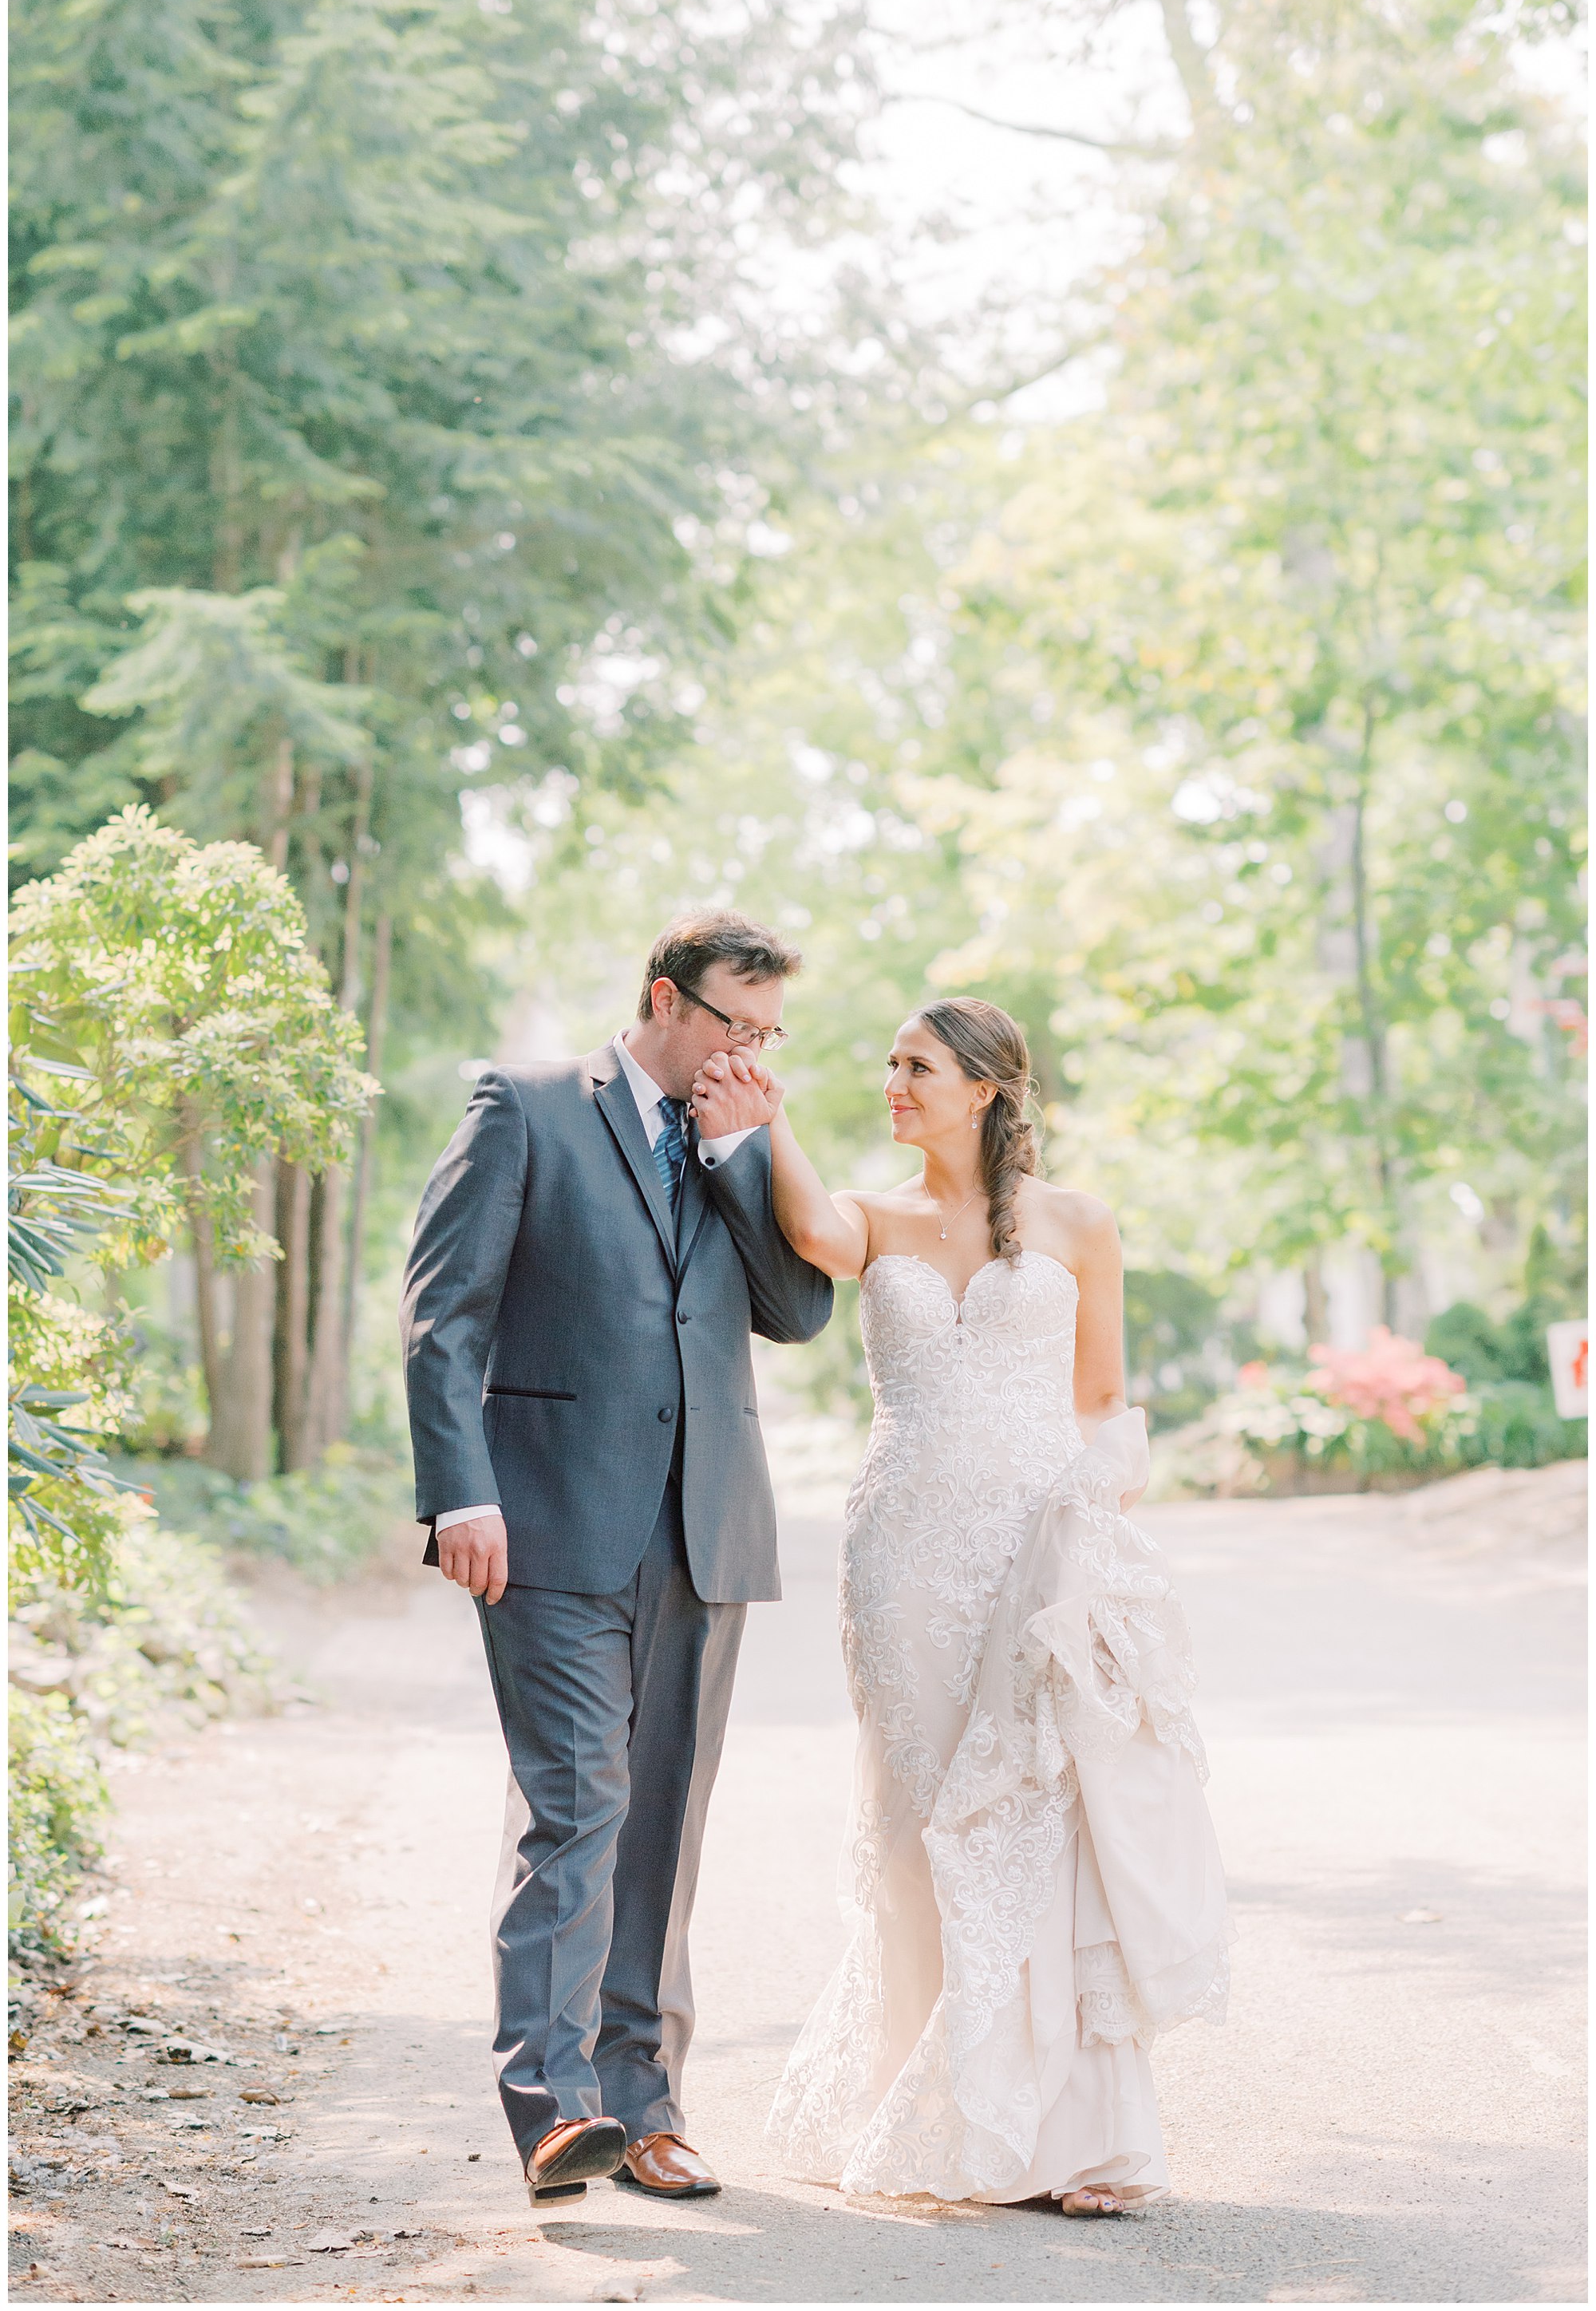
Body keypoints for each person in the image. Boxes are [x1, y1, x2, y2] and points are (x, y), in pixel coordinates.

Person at [691, 997, 1231, 2214]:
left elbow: (1105, 1405)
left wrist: (1086, 1540)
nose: (893, 1081)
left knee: (1040, 1812)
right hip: (902, 1558)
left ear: (986, 1086)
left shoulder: (1083, 1224)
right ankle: (928, 2106)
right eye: (887, 1062)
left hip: (1032, 1558)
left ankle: (1075, 2136)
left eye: (916, 1065)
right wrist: (766, 1125)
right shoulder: (874, 1218)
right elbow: (814, 1231)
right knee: (916, 1818)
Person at [400, 915, 833, 2206]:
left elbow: (798, 1310)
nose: (745, 1050)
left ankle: (646, 2104)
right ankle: (554, 2104)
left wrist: (741, 1150)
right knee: (578, 1801)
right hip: (545, 1520)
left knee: (662, 1824)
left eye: (767, 1033)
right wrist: (457, 1492)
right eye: (731, 1024)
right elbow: (442, 1315)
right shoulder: (526, 1107)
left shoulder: (730, 1134)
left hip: (703, 1529)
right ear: (663, 996)